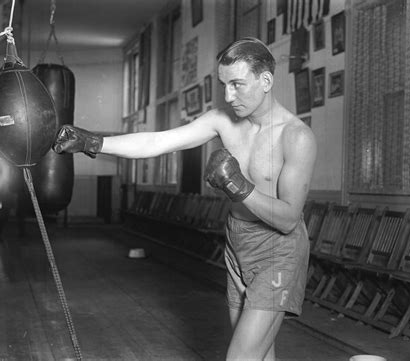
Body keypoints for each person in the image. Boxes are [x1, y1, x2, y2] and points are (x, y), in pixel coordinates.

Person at [53, 37, 317, 361]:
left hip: (278, 250)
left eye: (237, 84)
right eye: (224, 85)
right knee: (260, 353)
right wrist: (93, 142)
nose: (228, 95)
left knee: (241, 357)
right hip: (238, 241)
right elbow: (157, 142)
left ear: (266, 80)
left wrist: (238, 186)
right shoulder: (222, 120)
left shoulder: (297, 137)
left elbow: (289, 219)